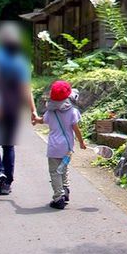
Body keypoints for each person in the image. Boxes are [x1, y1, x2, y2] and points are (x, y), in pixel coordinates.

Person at [0, 22, 37, 196]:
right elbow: (26, 88)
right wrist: (33, 111)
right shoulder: (21, 61)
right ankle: (7, 182)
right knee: (9, 146)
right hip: (14, 106)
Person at [38, 80, 85, 209]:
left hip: (54, 147)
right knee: (63, 168)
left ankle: (58, 198)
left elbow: (42, 120)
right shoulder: (73, 111)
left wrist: (35, 120)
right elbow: (76, 129)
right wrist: (81, 142)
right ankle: (66, 190)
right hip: (68, 147)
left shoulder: (50, 112)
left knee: (55, 172)